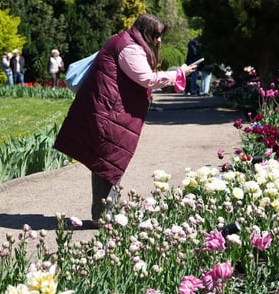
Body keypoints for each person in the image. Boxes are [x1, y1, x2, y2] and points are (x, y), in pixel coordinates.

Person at [54, 14, 199, 226]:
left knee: (105, 163)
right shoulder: (129, 48)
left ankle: (103, 215)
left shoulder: (124, 41)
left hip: (105, 110)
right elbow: (146, 79)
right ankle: (106, 217)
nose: (159, 40)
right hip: (110, 114)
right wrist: (178, 73)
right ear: (145, 31)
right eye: (156, 35)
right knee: (111, 163)